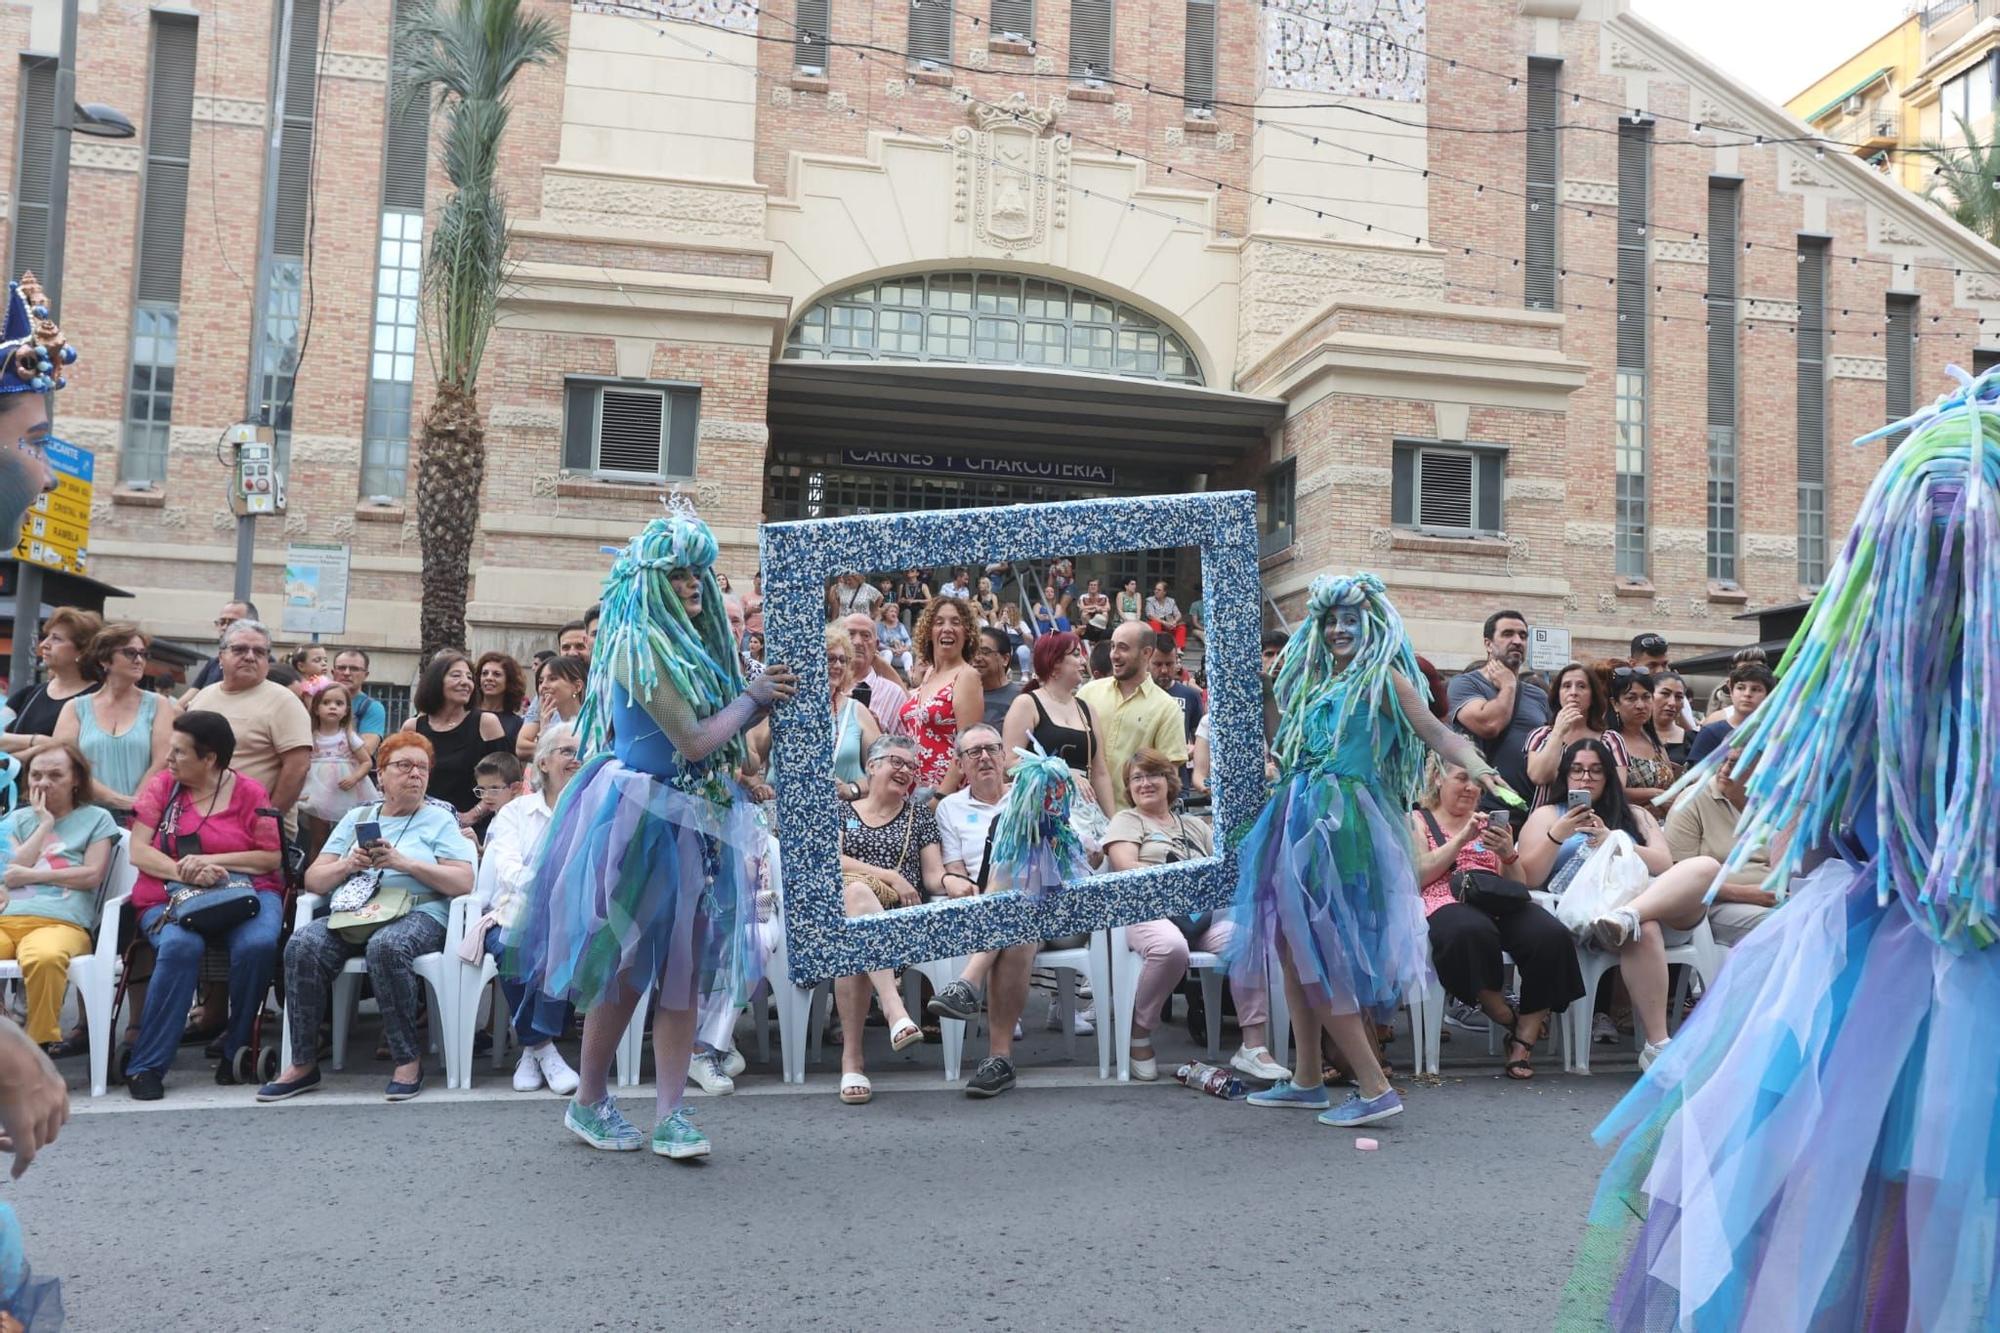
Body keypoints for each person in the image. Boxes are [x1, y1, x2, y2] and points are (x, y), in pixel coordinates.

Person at [1557, 371, 2000, 1331]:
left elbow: (1822, 829)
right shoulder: (1866, 696)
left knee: (1864, 1199)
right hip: (1887, 966)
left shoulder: (1856, 693)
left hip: (1857, 964)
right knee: (1914, 1206)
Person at [503, 501, 796, 1157]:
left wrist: (748, 735)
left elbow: (723, 751)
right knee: (626, 967)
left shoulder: (697, 644)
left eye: (697, 575)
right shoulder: (635, 643)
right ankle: (589, 1101)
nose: (692, 586)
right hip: (638, 818)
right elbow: (692, 740)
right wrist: (752, 698)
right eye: (678, 575)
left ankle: (670, 1114)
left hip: (695, 819)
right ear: (647, 581)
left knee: (684, 971)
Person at [1228, 574, 1517, 1129]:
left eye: (1350, 620)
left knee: (1318, 947)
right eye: (1330, 621)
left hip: (1342, 825)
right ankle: (1308, 1079)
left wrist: (1481, 767)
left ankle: (1375, 1085)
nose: (1338, 629)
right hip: (1295, 815)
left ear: (1374, 626)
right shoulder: (1315, 685)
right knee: (1292, 945)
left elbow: (1436, 731)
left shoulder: (1382, 679)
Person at [259, 731, 475, 1103]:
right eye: (404, 766)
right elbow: (314, 878)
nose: (415, 775)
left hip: (421, 909)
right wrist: (348, 865)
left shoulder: (439, 820)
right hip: (356, 910)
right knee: (303, 944)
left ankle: (407, 1059)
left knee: (388, 945)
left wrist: (404, 862)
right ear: (381, 776)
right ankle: (303, 1063)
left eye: (422, 768)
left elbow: (463, 880)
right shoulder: (357, 817)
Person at [1513, 737, 1720, 1070]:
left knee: (1707, 868)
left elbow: (1664, 864)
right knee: (1644, 929)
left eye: (1596, 771)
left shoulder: (1635, 814)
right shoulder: (1547, 815)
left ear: (1609, 776)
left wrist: (1615, 840)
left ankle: (1630, 914)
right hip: (1594, 918)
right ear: (1565, 776)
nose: (1586, 778)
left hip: (1651, 903)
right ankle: (1658, 1045)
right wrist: (1558, 835)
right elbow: (1529, 877)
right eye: (1577, 770)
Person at [125, 710, 285, 1099]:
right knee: (181, 946)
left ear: (209, 758)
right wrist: (186, 872)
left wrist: (216, 863)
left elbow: (270, 858)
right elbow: (138, 851)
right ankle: (146, 1064)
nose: (169, 760)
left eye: (179, 753)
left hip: (247, 891)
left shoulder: (250, 792)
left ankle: (237, 1048)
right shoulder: (162, 787)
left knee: (258, 944)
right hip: (170, 894)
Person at [1106, 749, 1287, 1084]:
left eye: (1153, 775)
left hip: (1200, 917)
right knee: (1171, 948)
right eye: (1137, 778)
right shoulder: (1126, 821)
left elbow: (1222, 870)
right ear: (1128, 787)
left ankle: (1253, 1046)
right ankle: (1140, 1033)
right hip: (1149, 913)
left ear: (1169, 780)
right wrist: (1178, 874)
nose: (1145, 783)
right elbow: (1125, 866)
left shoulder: (1194, 825)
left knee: (1246, 940)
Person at [1411, 758, 1581, 1081]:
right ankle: (1505, 1014)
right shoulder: (1418, 820)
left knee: (1551, 935)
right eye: (1462, 778)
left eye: (1477, 781)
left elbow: (1517, 884)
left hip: (1497, 899)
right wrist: (1461, 839)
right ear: (1437, 779)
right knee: (1468, 931)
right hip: (1445, 898)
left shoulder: (1493, 822)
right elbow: (1419, 875)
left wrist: (1508, 853)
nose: (1471, 787)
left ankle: (1523, 1040)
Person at [470, 721, 581, 1096]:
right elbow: (507, 866)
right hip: (519, 908)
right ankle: (542, 1048)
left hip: (579, 912)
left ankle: (532, 1052)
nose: (576, 758)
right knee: (511, 944)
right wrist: (546, 889)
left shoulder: (592, 809)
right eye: (567, 751)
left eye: (580, 752)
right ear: (544, 762)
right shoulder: (515, 813)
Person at [834, 735, 940, 1105]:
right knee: (857, 900)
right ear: (872, 765)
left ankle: (853, 1060)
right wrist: (889, 875)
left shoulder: (920, 817)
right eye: (896, 761)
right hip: (850, 911)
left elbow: (932, 877)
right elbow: (832, 860)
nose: (905, 771)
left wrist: (954, 882)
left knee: (854, 938)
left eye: (911, 766)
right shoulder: (843, 812)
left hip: (899, 918)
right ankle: (894, 1008)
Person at [0, 745, 117, 1052]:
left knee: (45, 957)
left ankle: (38, 1045)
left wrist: (34, 877)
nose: (43, 783)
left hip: (61, 922)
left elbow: (92, 874)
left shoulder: (96, 818)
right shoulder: (14, 819)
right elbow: (13, 868)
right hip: (7, 917)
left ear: (76, 779)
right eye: (36, 775)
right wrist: (44, 826)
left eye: (55, 775)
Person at [186, 619, 311, 839]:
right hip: (198, 823)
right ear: (221, 656)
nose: (250, 656)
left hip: (254, 832)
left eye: (260, 652)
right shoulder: (203, 696)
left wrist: (268, 819)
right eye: (240, 649)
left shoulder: (284, 702)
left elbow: (297, 767)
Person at [53, 622, 174, 817]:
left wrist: (135, 804)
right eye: (130, 653)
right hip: (84, 815)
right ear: (104, 659)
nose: (139, 660)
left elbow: (163, 761)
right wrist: (114, 799)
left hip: (142, 815)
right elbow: (65, 764)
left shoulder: (159, 705)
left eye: (143, 654)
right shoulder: (75, 708)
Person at [1660, 754, 1777, 945]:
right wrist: (1745, 893)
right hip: (1713, 904)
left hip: (1774, 898)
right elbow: (1677, 878)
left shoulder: (1776, 801)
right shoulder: (1693, 800)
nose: (1723, 770)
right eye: (1723, 761)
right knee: (1781, 925)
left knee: (1826, 919)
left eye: (1736, 763)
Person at [1000, 631, 1116, 816]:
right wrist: (1062, 773)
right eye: (1076, 655)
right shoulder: (1026, 704)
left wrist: (1112, 822)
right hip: (1039, 813)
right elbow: (1010, 763)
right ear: (1054, 663)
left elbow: (1100, 772)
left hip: (1084, 813)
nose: (1083, 661)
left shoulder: (1087, 709)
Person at [1078, 621, 1187, 811]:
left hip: (1132, 824)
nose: (1114, 654)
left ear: (1146, 653)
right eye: (1112, 646)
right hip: (1079, 817)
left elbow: (1169, 779)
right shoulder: (1087, 694)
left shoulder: (1166, 708)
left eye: (1123, 648)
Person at [1446, 609, 1550, 806]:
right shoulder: (1465, 684)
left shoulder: (1539, 696)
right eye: (1507, 634)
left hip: (1526, 808)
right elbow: (1489, 725)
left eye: (1523, 635)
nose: (1518, 641)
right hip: (1479, 807)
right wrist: (1509, 685)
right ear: (1488, 644)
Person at [401, 649, 508, 820]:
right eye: (456, 675)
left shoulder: (487, 723)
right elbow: (399, 775)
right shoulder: (413, 727)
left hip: (470, 828)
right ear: (436, 681)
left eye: (469, 677)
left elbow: (504, 780)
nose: (465, 682)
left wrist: (471, 816)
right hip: (418, 821)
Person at [900, 596, 982, 793]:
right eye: (939, 622)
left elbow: (967, 747)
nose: (947, 628)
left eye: (956, 622)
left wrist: (940, 797)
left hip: (944, 794)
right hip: (912, 789)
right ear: (929, 632)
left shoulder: (966, 676)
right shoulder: (928, 674)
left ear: (967, 633)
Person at [4, 608, 101, 765]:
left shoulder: (98, 698)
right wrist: (37, 740)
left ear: (83, 650)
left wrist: (11, 756)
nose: (44, 644)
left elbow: (66, 752)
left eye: (56, 639)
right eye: (47, 637)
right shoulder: (29, 694)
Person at [296, 681, 378, 859]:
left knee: (349, 835)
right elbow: (301, 764)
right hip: (317, 793)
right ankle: (315, 879)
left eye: (339, 703)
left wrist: (355, 778)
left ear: (347, 710)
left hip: (346, 792)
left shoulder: (348, 736)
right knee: (318, 838)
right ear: (316, 709)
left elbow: (366, 762)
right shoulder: (310, 737)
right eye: (326, 703)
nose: (332, 707)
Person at [1522, 662, 1609, 809]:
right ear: (1558, 694)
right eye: (1566, 686)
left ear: (1593, 695)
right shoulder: (1540, 735)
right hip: (1548, 820)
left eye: (1581, 686)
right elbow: (1539, 776)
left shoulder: (1610, 739)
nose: (1573, 692)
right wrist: (1558, 732)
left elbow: (1614, 785)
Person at [1601, 664, 1679, 807]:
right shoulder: (1609, 742)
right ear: (1615, 704)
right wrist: (1653, 794)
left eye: (1646, 697)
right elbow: (1608, 791)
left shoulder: (1654, 741)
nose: (1640, 705)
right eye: (1631, 698)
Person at [1685, 661, 1775, 765]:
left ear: (1768, 696)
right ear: (1731, 692)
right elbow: (1695, 775)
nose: (1747, 694)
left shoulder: (1774, 734)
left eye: (1755, 689)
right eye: (1741, 688)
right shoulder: (1711, 732)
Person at [844, 613, 908, 738]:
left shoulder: (894, 694)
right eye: (850, 634)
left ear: (876, 645)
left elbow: (906, 749)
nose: (857, 642)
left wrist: (879, 735)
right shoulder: (825, 688)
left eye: (866, 636)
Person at [515, 654, 585, 762]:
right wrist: (544, 731)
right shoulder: (546, 719)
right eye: (540, 681)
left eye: (553, 679)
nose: (543, 686)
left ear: (577, 686)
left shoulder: (592, 722)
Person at [187, 599, 257, 693]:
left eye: (232, 622)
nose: (224, 627)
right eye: (222, 622)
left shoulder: (264, 664)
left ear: (253, 625)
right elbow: (184, 702)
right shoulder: (213, 663)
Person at [1149, 635, 1204, 754]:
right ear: (1147, 662)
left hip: (1178, 769)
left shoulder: (1190, 696)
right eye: (1158, 664)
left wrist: (1194, 748)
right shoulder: (1137, 694)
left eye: (1169, 664)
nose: (1164, 670)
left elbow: (1200, 735)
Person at [330, 649, 386, 759]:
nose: (346, 673)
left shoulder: (372, 707)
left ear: (366, 675)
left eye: (354, 669)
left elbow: (366, 751)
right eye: (341, 668)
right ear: (333, 672)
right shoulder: (318, 700)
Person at [473, 651, 528, 750]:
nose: (489, 678)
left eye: (496, 674)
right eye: (485, 673)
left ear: (509, 681)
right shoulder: (467, 715)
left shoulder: (518, 724)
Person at [974, 625, 1021, 729]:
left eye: (985, 652)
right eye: (972, 651)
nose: (976, 658)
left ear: (1005, 659)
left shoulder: (1021, 698)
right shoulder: (960, 695)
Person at [1651, 670, 1692, 767]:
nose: (1672, 703)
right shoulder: (1631, 737)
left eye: (1678, 697)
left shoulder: (1692, 740)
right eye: (1665, 694)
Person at [1145, 580, 1185, 650]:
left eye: (1159, 590)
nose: (1156, 591)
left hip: (1169, 623)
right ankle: (1157, 646)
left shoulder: (1171, 601)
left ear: (1164, 592)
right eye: (1155, 589)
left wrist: (1174, 622)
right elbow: (1150, 615)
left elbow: (1178, 614)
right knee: (1155, 623)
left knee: (1181, 627)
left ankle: (1178, 648)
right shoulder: (1150, 600)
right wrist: (1164, 622)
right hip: (1158, 623)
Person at [877, 602, 914, 677]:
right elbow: (877, 643)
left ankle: (911, 678)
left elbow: (908, 641)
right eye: (891, 611)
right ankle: (884, 677)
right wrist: (890, 649)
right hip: (884, 654)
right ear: (885, 613)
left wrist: (903, 650)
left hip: (898, 654)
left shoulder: (900, 626)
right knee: (888, 653)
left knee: (907, 654)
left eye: (896, 612)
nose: (894, 614)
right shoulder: (879, 626)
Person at [1074, 577, 1111, 642]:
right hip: (1088, 615)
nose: (1092, 587)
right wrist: (1094, 607)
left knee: (1105, 613)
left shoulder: (1104, 597)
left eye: (1094, 585)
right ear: (1088, 586)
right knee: (1084, 613)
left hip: (1099, 615)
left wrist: (1098, 609)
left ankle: (1101, 630)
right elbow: (1081, 608)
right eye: (1091, 585)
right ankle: (1088, 631)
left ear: (1098, 587)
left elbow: (1108, 608)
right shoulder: (1083, 596)